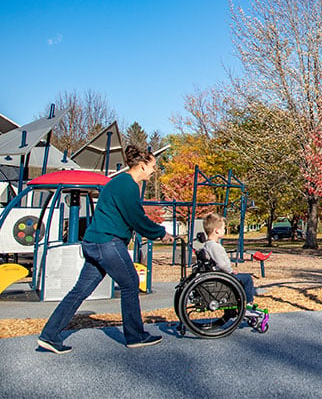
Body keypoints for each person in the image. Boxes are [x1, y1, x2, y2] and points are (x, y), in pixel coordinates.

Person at [37, 145, 174, 354]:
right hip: (107, 243)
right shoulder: (127, 185)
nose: (155, 170)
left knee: (80, 290)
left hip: (94, 242)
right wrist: (161, 233)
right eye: (153, 166)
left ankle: (49, 335)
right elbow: (136, 218)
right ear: (142, 165)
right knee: (130, 283)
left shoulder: (119, 183)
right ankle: (135, 336)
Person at [199, 212, 256, 304]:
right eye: (223, 228)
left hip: (218, 275)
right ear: (217, 230)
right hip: (222, 277)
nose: (225, 230)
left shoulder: (208, 245)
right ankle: (249, 303)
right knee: (247, 278)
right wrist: (230, 272)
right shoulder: (215, 246)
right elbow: (222, 264)